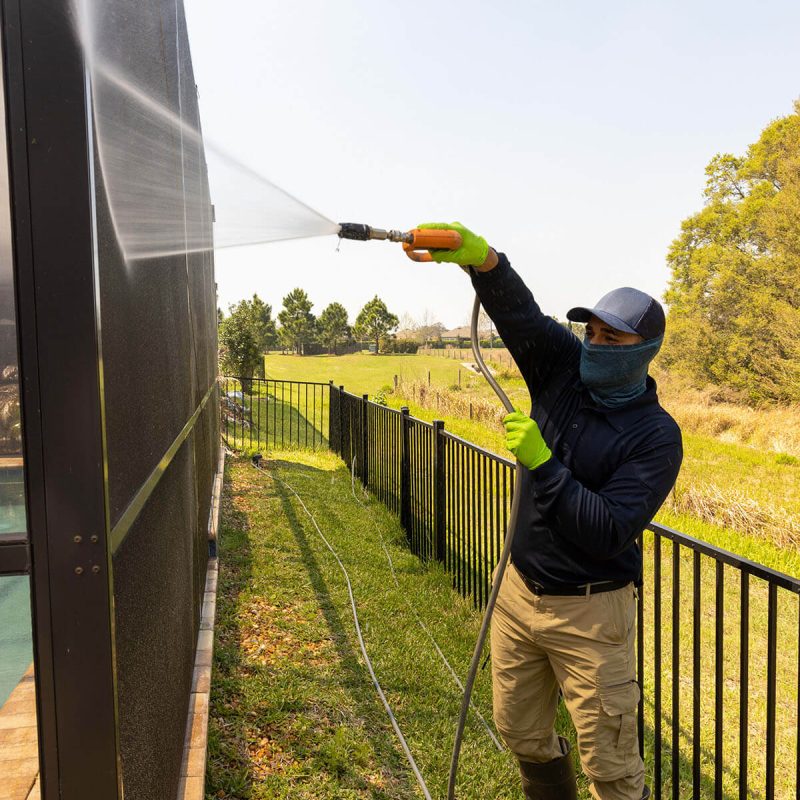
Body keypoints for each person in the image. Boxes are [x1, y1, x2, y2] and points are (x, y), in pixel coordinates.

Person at [418, 222, 683, 800]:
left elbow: (607, 530)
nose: (593, 345)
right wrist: (486, 263)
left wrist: (542, 461)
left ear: (644, 351)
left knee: (611, 769)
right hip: (517, 594)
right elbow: (523, 319)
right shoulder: (562, 369)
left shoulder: (656, 436)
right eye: (590, 332)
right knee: (520, 730)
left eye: (611, 339)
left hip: (591, 614)